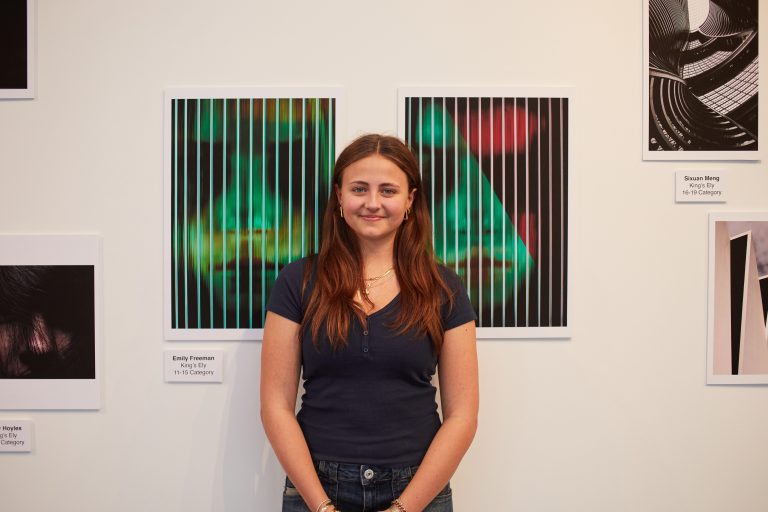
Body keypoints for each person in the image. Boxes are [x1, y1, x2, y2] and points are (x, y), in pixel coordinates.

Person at [260, 134, 478, 512]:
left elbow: (463, 416)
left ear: (410, 200)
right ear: (339, 197)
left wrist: (403, 508)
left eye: (388, 190)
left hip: (417, 490)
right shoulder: (297, 281)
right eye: (359, 188)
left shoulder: (445, 288)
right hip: (316, 487)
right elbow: (275, 405)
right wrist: (322, 506)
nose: (372, 203)